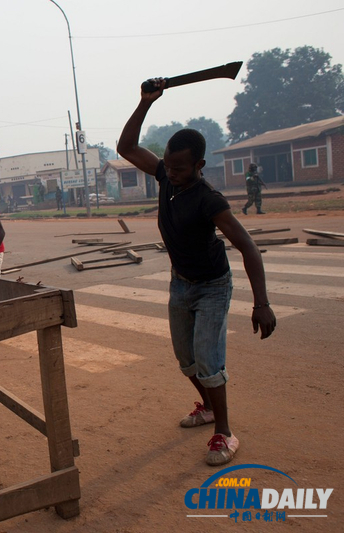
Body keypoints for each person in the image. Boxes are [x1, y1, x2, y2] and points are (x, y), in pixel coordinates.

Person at [117, 77, 277, 467]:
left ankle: (224, 432)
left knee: (207, 359)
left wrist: (262, 304)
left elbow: (248, 247)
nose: (171, 173)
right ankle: (206, 407)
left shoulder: (209, 200)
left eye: (180, 168)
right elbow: (125, 148)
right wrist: (145, 103)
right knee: (185, 359)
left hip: (212, 287)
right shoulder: (165, 177)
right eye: (168, 166)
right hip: (180, 283)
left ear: (199, 165)